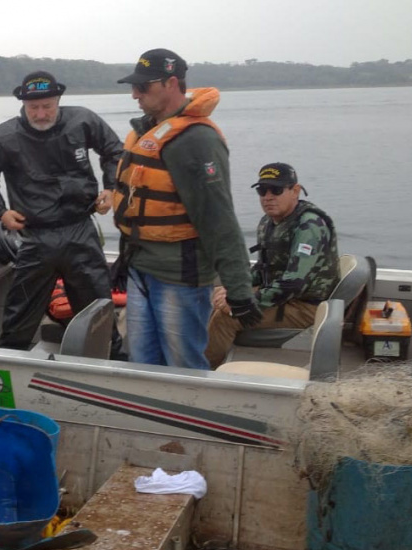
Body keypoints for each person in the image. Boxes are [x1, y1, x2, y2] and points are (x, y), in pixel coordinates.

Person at [113, 48, 261, 369]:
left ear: (171, 83)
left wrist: (238, 290)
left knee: (183, 365)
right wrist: (125, 260)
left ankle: (191, 416)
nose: (135, 94)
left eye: (143, 87)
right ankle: (151, 417)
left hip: (180, 279)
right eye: (133, 87)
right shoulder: (147, 132)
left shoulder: (197, 141)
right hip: (140, 270)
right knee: (141, 360)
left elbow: (219, 220)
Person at [0, 71, 126, 359]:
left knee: (98, 305)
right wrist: (1, 212)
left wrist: (111, 188)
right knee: (21, 311)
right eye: (34, 108)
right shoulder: (4, 136)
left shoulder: (83, 120)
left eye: (47, 106)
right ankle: (11, 364)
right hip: (34, 236)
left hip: (80, 229)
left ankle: (113, 362)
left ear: (58, 101)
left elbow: (114, 151)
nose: (41, 114)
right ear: (23, 106)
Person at [205, 163, 340, 368]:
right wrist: (234, 289)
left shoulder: (309, 226)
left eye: (276, 190)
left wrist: (243, 301)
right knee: (213, 298)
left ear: (295, 191)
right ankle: (203, 356)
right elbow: (262, 268)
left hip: (306, 305)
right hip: (283, 296)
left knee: (226, 317)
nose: (268, 197)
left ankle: (201, 373)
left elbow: (293, 283)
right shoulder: (269, 222)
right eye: (262, 190)